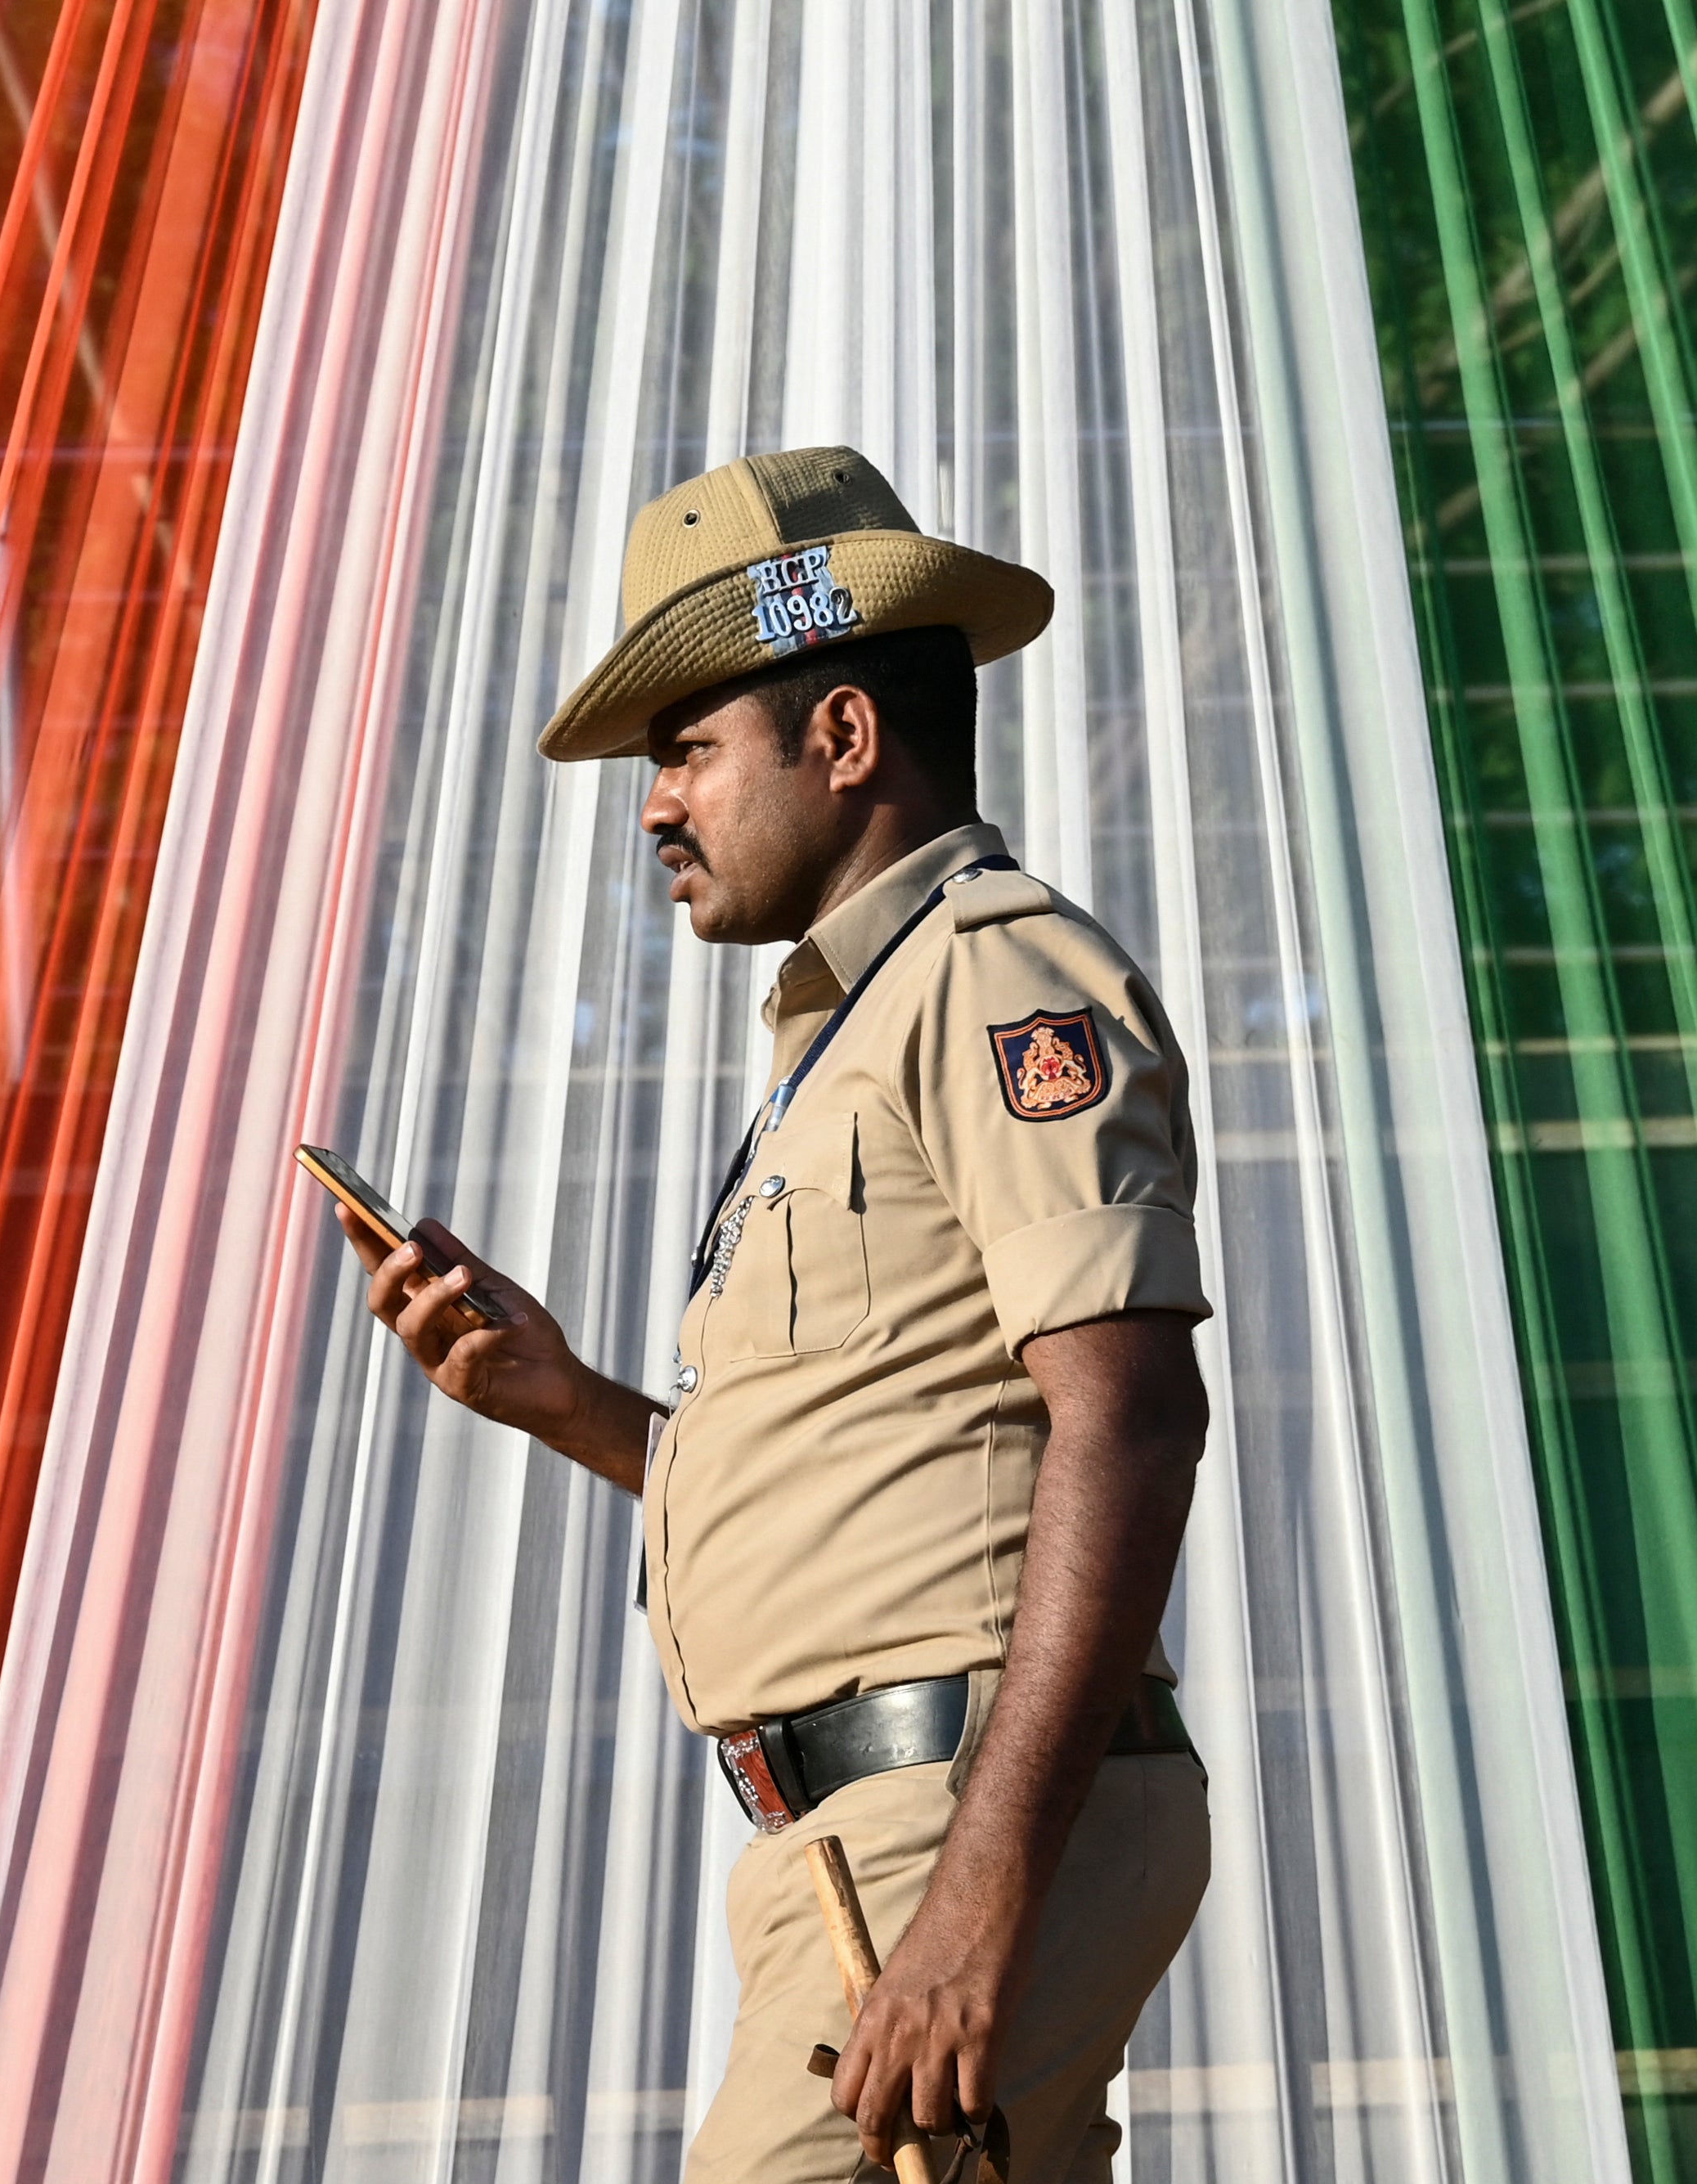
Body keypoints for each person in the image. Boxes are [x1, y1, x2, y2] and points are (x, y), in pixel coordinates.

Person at [334, 446, 1211, 2182]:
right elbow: (885, 1464)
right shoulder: (869, 1021)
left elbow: (1133, 1415)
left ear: (845, 735)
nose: (655, 808)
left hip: (942, 1831)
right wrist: (571, 1403)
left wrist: (973, 1900)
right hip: (869, 1844)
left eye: (687, 750)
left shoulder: (990, 973)